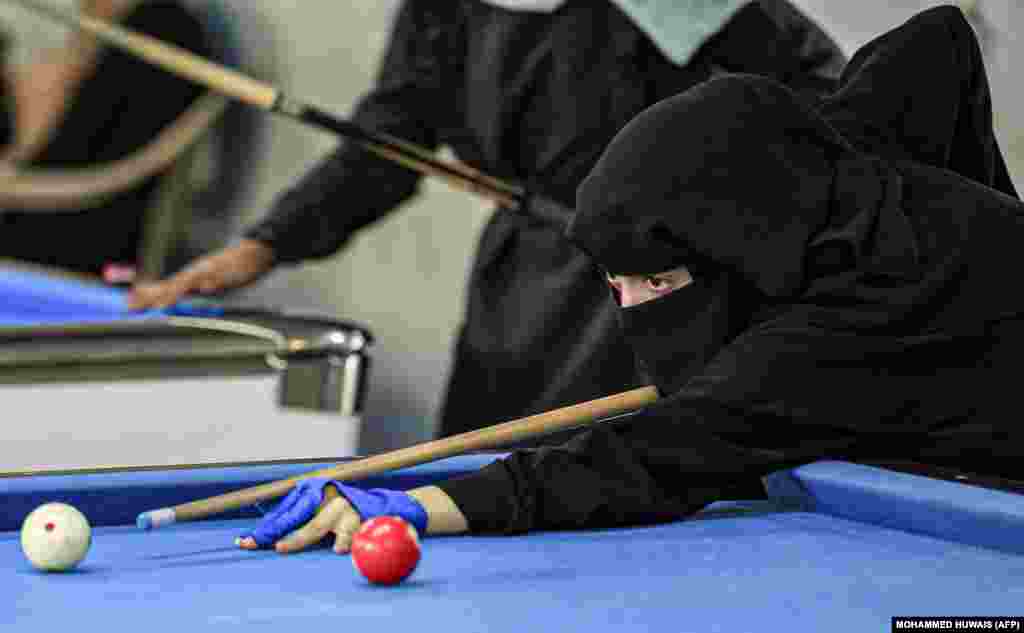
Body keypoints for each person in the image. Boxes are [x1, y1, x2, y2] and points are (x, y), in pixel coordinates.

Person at [228, 6, 1024, 554]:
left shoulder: (830, 335)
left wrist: (420, 505)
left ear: (731, 232)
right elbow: (935, 42)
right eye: (618, 287)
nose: (638, 311)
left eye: (655, 281)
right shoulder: (844, 167)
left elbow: (650, 459)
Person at [128, 0, 846, 440]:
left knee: (608, 519)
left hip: (654, 300)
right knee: (488, 504)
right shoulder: (447, 7)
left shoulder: (684, 7)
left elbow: (827, 106)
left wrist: (712, 217)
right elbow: (391, 140)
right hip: (518, 288)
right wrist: (262, 245)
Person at [0, 0, 210, 274]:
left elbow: (124, 168)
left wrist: (18, 187)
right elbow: (33, 145)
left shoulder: (164, 29)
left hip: (83, 242)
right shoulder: (83, 28)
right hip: (33, 211)